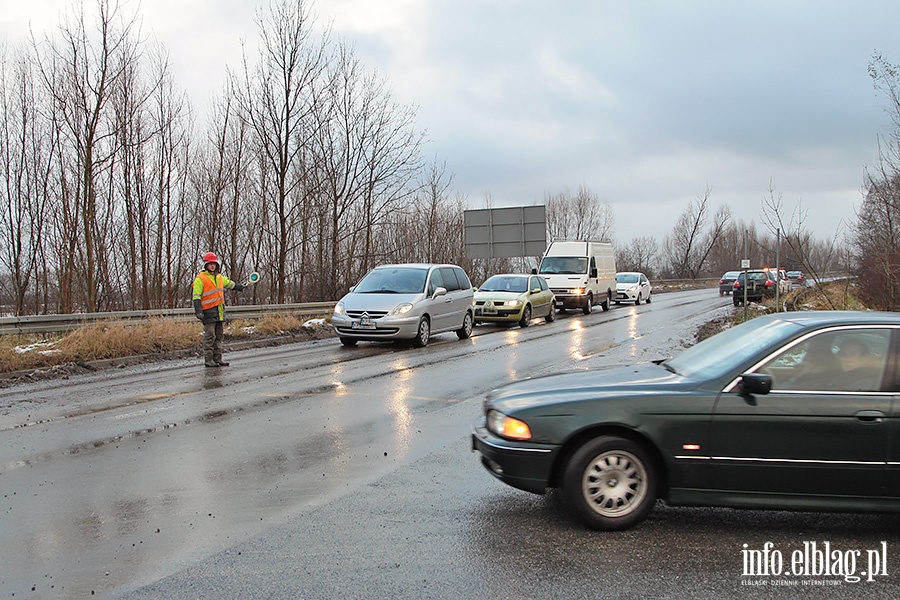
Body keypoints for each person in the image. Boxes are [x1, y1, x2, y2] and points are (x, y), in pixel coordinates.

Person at [192, 252, 245, 367]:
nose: (212, 266)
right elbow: (196, 296)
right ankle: (208, 360)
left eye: (214, 264)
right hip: (207, 312)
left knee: (219, 336)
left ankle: (218, 359)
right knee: (210, 336)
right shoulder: (200, 279)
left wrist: (240, 287)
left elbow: (230, 284)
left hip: (219, 312)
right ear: (206, 265)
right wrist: (198, 311)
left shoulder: (220, 277)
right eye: (210, 264)